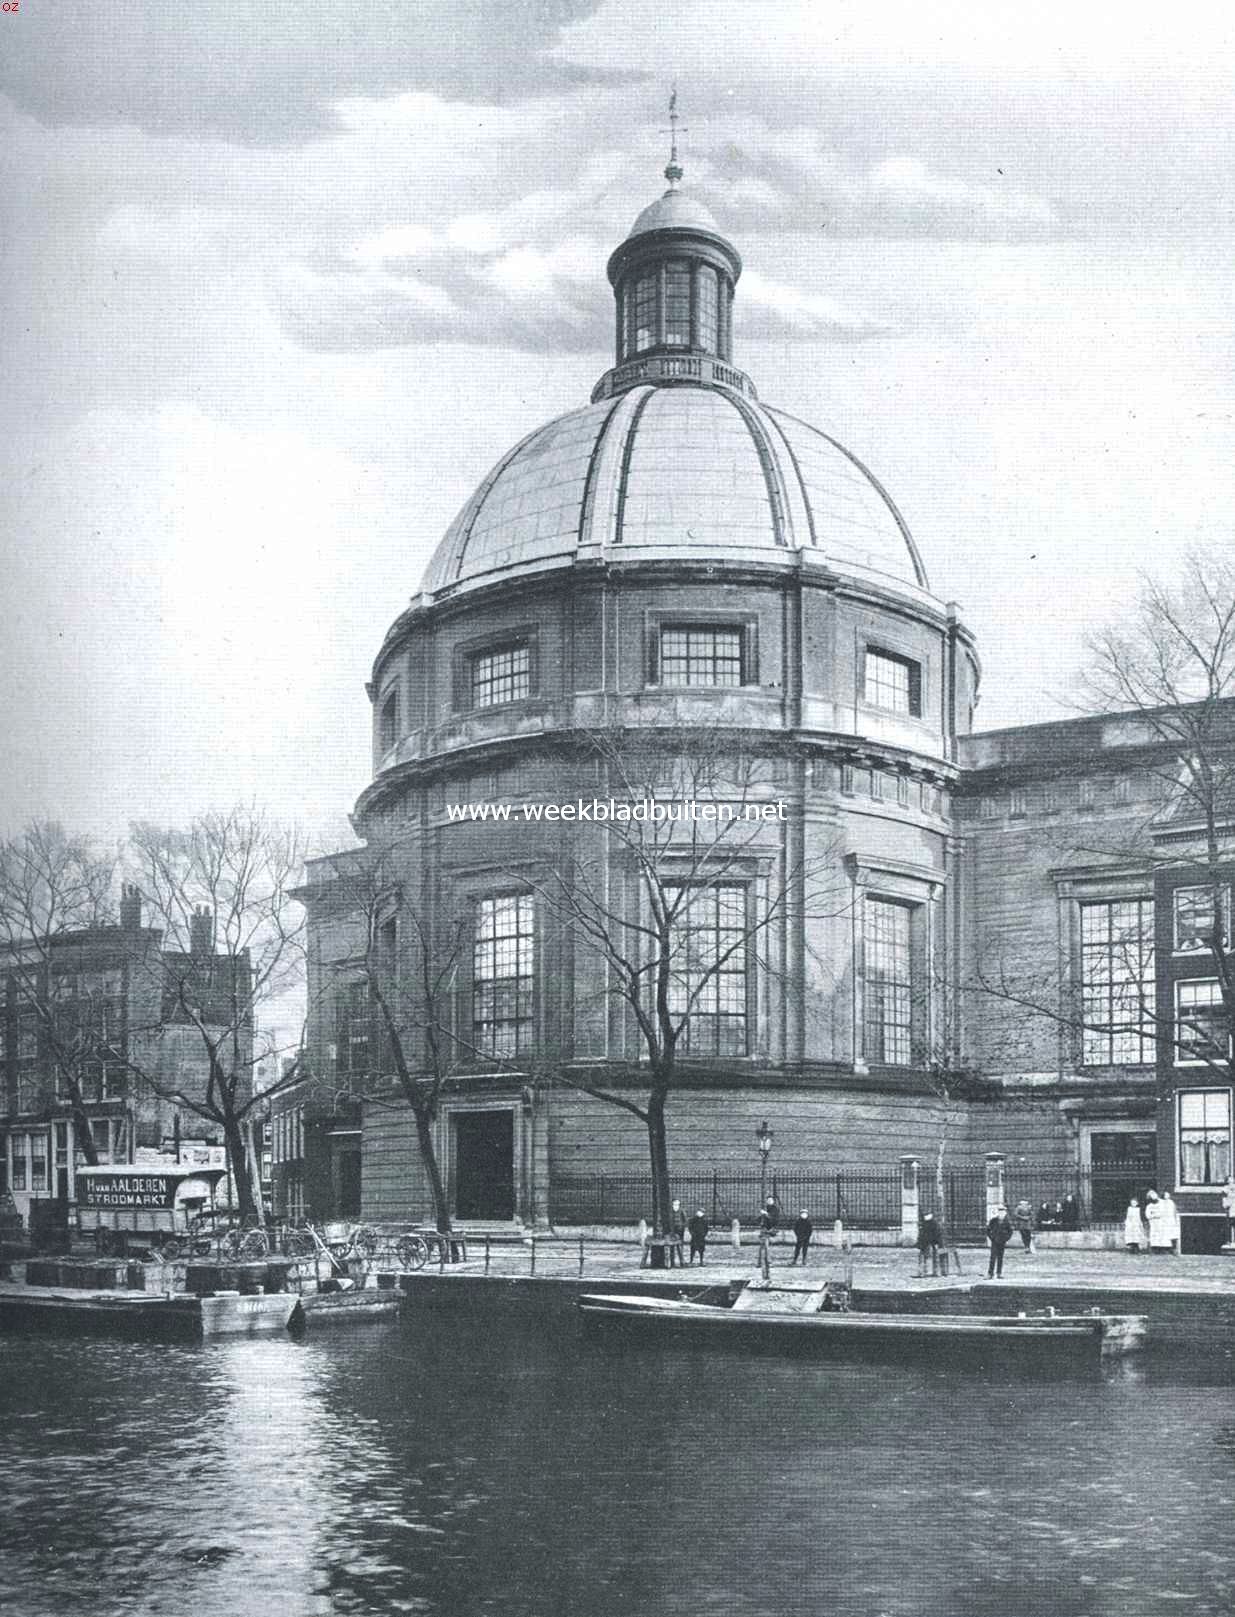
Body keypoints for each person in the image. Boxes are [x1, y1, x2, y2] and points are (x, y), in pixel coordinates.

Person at [986, 1204, 1014, 1279]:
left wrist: (1006, 1238)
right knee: (993, 1257)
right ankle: (990, 1273)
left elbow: (1010, 1231)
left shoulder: (1007, 1221)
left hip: (1002, 1241)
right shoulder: (993, 1220)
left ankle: (999, 1273)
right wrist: (992, 1237)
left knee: (1000, 1258)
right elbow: (988, 1230)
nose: (1001, 1212)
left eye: (1002, 1210)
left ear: (1005, 1212)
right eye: (1000, 1210)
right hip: (995, 1241)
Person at [916, 1211, 943, 1277]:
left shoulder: (924, 1223)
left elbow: (921, 1234)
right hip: (932, 1242)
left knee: (923, 1257)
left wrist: (919, 1243)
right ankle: (935, 1272)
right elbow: (937, 1234)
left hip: (926, 1242)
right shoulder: (934, 1223)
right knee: (935, 1257)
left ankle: (922, 1272)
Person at [1144, 1190, 1170, 1254]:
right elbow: (1147, 1215)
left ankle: (1164, 1249)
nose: (1153, 1196)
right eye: (1151, 1195)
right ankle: (1155, 1249)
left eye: (1154, 1194)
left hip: (1162, 1222)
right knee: (1155, 1236)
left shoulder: (1162, 1202)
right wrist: (1153, 1215)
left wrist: (1156, 1214)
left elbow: (1164, 1212)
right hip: (1154, 1223)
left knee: (1163, 1235)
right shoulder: (1149, 1206)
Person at [668, 1198, 687, 1267]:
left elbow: (685, 1220)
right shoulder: (670, 1211)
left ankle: (682, 1262)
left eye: (677, 1204)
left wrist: (682, 1226)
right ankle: (672, 1262)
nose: (676, 1206)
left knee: (680, 1246)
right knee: (671, 1246)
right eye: (674, 1204)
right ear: (672, 1205)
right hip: (672, 1231)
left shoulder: (681, 1211)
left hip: (680, 1230)